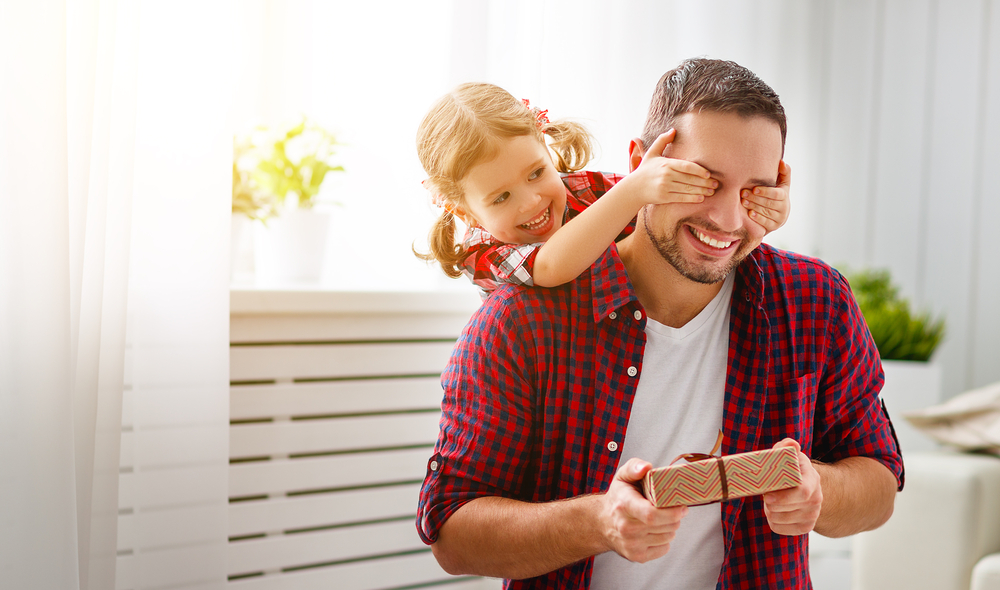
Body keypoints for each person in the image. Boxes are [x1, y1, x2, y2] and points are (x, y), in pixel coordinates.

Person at [416, 58, 903, 590]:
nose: (727, 220)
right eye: (702, 182)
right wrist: (598, 521)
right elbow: (452, 534)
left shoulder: (815, 300)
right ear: (640, 166)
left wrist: (819, 491)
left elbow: (880, 482)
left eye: (754, 191)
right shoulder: (518, 322)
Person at [415, 82, 790, 297]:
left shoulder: (583, 189)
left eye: (536, 173)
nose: (532, 201)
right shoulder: (482, 251)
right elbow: (550, 266)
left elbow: (667, 212)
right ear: (464, 211)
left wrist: (757, 206)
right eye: (501, 197)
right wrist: (634, 190)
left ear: (545, 146)